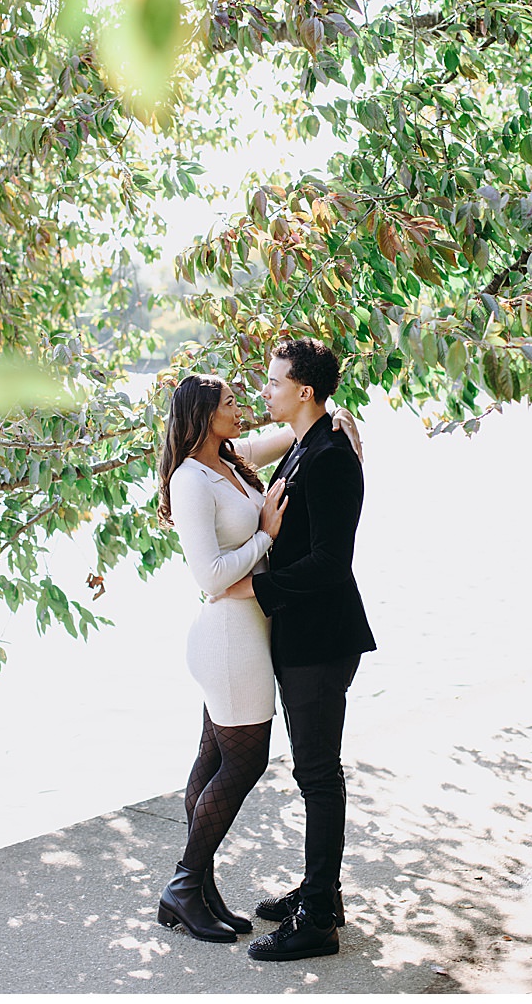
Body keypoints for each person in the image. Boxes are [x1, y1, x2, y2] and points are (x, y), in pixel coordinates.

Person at [155, 373, 360, 943]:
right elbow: (212, 577)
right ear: (203, 416)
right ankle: (183, 883)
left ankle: (199, 888)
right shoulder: (191, 480)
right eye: (230, 403)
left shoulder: (227, 459)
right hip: (229, 637)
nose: (243, 407)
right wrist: (267, 534)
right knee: (242, 764)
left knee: (211, 760)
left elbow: (295, 432)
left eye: (250, 395)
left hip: (249, 632)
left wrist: (335, 417)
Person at [214, 336, 374, 962]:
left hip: (321, 637)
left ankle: (317, 921)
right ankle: (321, 891)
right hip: (303, 634)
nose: (265, 391)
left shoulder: (331, 455)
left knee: (316, 774)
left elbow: (333, 563)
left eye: (275, 381)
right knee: (315, 771)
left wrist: (256, 585)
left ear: (303, 390)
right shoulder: (308, 445)